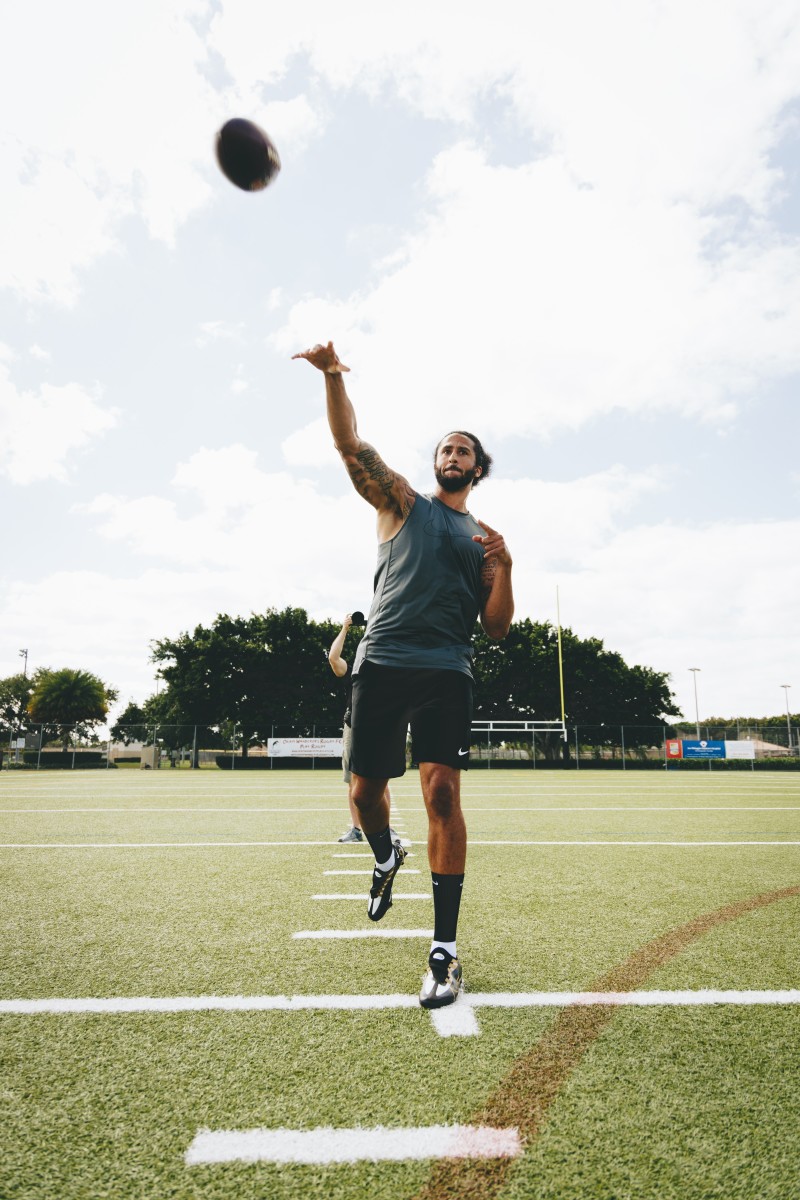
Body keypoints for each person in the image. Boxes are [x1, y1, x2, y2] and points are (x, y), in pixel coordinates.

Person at [294, 341, 514, 1009]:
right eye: (445, 449)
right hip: (382, 664)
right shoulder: (401, 503)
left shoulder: (485, 540)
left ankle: (444, 954)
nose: (452, 456)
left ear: (478, 467)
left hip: (447, 671)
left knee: (443, 795)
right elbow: (349, 445)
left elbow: (497, 627)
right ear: (436, 462)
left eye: (463, 451)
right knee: (364, 797)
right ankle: (386, 857)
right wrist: (333, 378)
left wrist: (504, 570)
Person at [328, 612, 393, 843]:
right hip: (353, 727)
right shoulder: (353, 674)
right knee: (352, 781)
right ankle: (356, 829)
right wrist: (344, 628)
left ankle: (386, 827)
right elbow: (333, 658)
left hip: (379, 728)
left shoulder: (385, 671)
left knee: (380, 780)